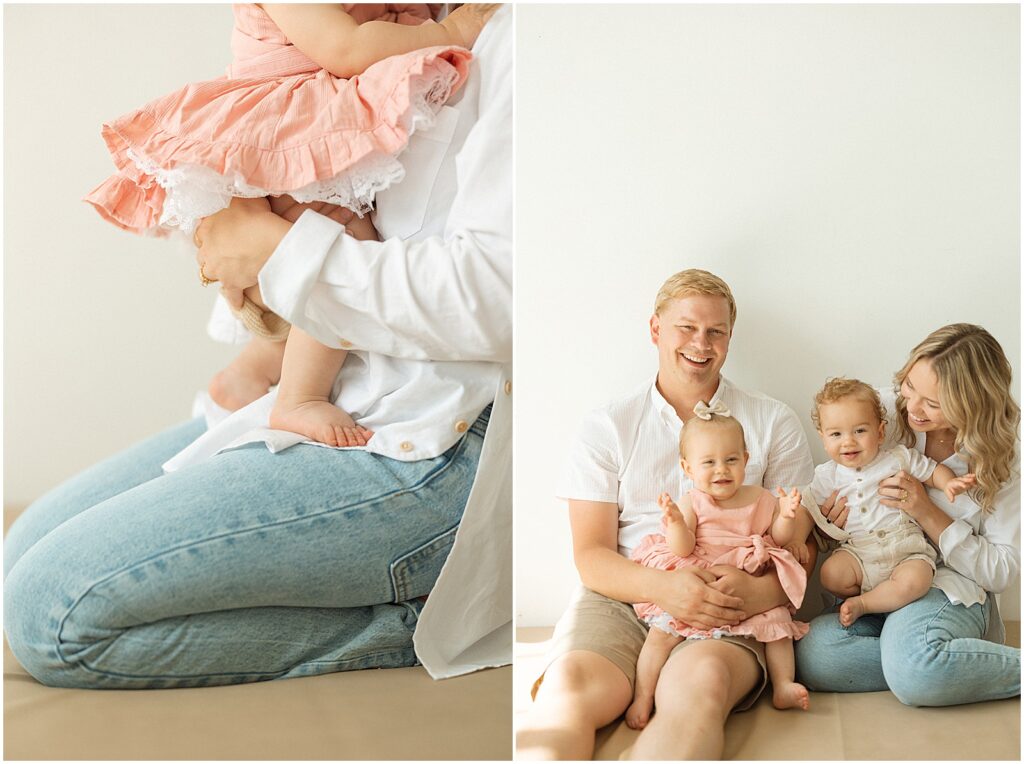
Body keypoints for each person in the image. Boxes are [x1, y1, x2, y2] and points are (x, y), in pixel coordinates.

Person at [4, 3, 511, 689]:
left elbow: (497, 300)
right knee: (21, 553)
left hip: (439, 441)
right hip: (346, 386)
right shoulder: (401, 19)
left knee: (48, 616)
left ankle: (419, 621)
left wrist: (280, 250)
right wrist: (254, 284)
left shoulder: (511, 34)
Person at [84, 3, 494, 447]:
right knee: (343, 238)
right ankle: (298, 398)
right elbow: (347, 47)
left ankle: (252, 371)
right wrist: (450, 28)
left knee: (326, 249)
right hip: (286, 123)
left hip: (308, 112)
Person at [517, 269, 815, 761]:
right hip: (623, 594)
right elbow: (590, 555)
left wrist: (752, 594)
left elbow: (799, 549)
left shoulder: (772, 420)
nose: (702, 343)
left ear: (729, 339)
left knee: (701, 689)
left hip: (730, 603)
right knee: (569, 686)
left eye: (716, 331)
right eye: (686, 327)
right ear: (656, 330)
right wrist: (665, 588)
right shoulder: (608, 424)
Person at [796, 325, 1021, 706]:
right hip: (875, 581)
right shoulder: (881, 413)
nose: (912, 407)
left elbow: (1003, 571)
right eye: (909, 385)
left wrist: (927, 510)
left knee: (914, 669)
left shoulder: (1005, 457)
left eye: (933, 403)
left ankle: (920, 661)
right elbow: (841, 485)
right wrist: (831, 528)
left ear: (973, 404)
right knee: (815, 654)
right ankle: (929, 658)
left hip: (943, 588)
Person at [625, 409, 813, 731]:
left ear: (746, 459)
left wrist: (786, 516)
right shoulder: (693, 501)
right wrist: (674, 523)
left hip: (747, 575)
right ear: (687, 468)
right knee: (661, 635)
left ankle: (782, 685)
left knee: (776, 628)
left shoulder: (761, 498)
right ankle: (643, 696)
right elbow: (681, 548)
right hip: (701, 570)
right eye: (708, 463)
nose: (721, 470)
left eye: (731, 460)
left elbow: (778, 539)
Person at [806, 377, 975, 627]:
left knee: (918, 578)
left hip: (905, 547)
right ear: (823, 438)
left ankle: (866, 605)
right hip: (859, 551)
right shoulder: (825, 476)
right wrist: (798, 531)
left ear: (881, 431)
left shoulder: (897, 458)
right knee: (831, 574)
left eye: (860, 431)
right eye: (836, 434)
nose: (848, 441)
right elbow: (809, 512)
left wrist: (949, 483)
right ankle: (877, 602)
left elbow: (931, 471)